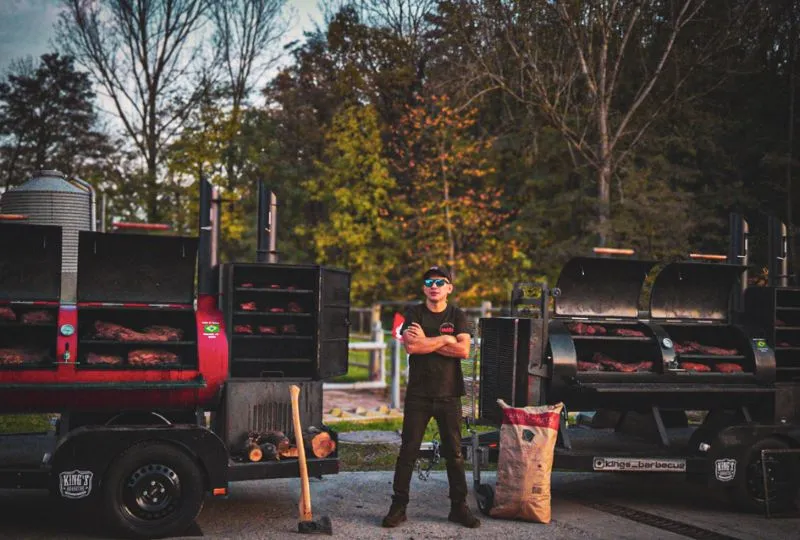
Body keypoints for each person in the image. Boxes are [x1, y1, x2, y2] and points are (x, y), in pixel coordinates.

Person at [381, 265, 480, 529]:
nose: (434, 285)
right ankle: (398, 507)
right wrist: (446, 340)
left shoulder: (458, 314)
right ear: (424, 288)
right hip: (419, 396)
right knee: (408, 452)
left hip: (450, 395)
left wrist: (433, 342)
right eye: (429, 281)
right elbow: (412, 346)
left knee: (455, 453)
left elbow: (464, 351)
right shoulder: (414, 313)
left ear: (449, 287)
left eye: (440, 281)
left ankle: (458, 508)